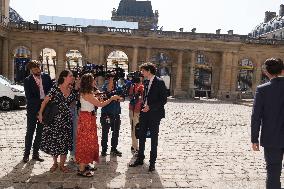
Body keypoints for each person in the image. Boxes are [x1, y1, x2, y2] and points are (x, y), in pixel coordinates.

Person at [75, 73, 121, 177]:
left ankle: (85, 164)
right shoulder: (87, 93)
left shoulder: (88, 92)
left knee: (89, 141)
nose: (95, 82)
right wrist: (112, 98)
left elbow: (97, 100)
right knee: (85, 142)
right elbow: (100, 104)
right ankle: (81, 169)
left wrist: (100, 95)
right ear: (89, 82)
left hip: (88, 117)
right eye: (93, 80)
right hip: (87, 118)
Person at [251, 58, 284, 189]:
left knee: (273, 172)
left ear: (266, 72)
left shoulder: (262, 90)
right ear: (282, 70)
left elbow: (256, 116)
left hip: (271, 138)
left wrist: (254, 139)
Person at [38, 70, 79, 173]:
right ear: (64, 77)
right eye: (70, 76)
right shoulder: (55, 89)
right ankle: (55, 163)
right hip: (54, 121)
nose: (72, 77)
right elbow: (45, 102)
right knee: (54, 143)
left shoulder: (73, 91)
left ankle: (62, 165)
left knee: (64, 143)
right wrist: (40, 114)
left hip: (66, 121)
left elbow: (76, 103)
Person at [129, 62, 168, 172]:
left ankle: (152, 163)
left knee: (153, 139)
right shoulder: (145, 82)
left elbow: (163, 100)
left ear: (149, 71)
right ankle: (140, 159)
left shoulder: (159, 82)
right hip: (144, 113)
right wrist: (143, 107)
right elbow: (145, 97)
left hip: (154, 114)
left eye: (143, 71)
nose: (141, 73)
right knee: (141, 136)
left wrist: (150, 107)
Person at [23, 61, 53, 163]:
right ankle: (26, 154)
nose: (38, 70)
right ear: (31, 70)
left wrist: (46, 102)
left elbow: (51, 91)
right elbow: (29, 97)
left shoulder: (46, 77)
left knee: (40, 132)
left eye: (39, 68)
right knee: (30, 132)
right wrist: (43, 101)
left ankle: (35, 153)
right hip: (32, 110)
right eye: (35, 69)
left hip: (45, 110)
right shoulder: (27, 80)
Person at [100, 74, 124, 157]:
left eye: (113, 78)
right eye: (110, 78)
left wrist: (119, 99)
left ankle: (113, 148)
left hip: (116, 113)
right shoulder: (104, 87)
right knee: (105, 132)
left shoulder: (118, 87)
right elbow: (106, 94)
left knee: (115, 132)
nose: (112, 79)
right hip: (106, 113)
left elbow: (123, 98)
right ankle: (104, 149)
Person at [128, 75, 144, 155]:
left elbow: (130, 96)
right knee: (137, 129)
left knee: (134, 129)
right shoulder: (141, 87)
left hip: (134, 110)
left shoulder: (132, 86)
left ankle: (134, 146)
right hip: (137, 110)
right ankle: (135, 147)